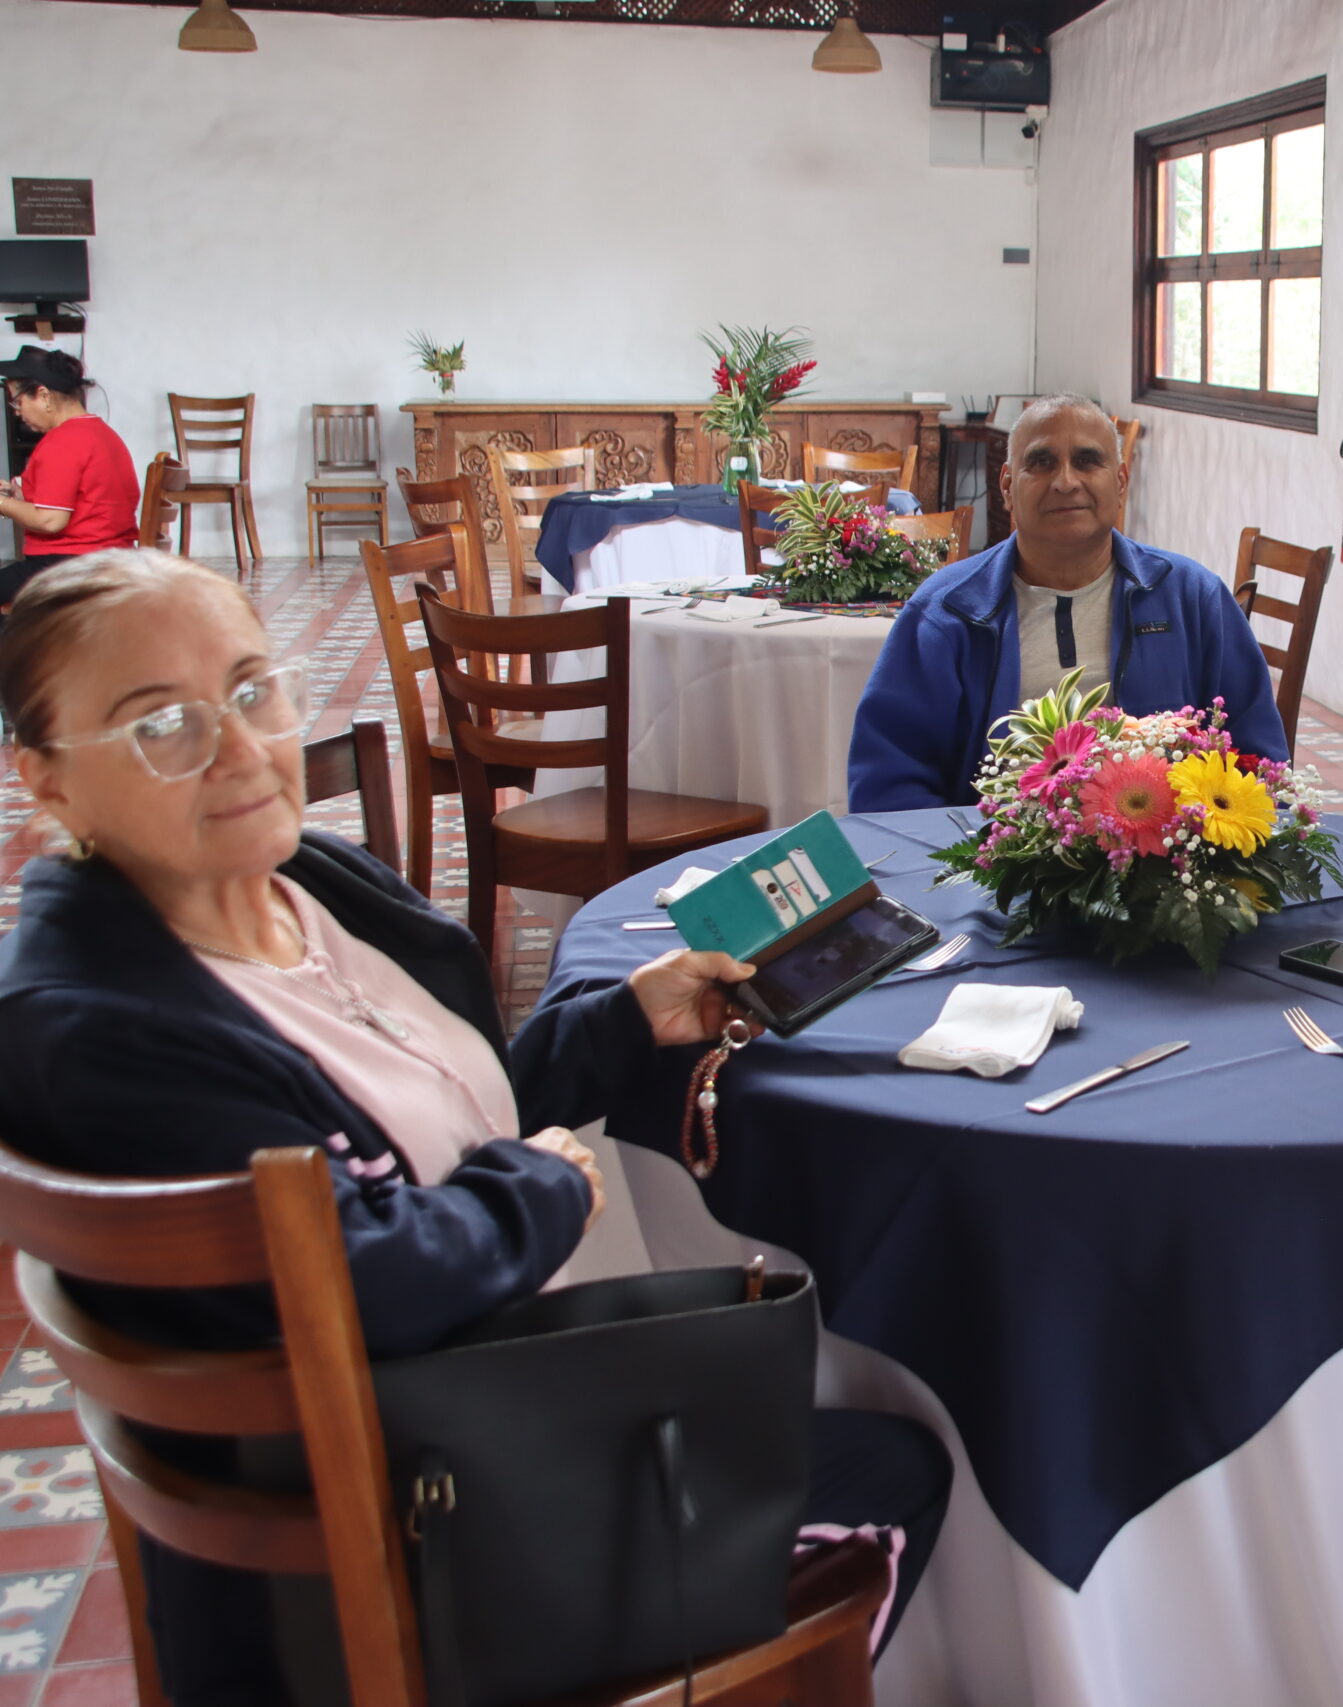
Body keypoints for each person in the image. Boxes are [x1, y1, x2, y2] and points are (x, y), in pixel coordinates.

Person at [0, 550, 948, 1705]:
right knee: (892, 1462)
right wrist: (539, 1192)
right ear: (46, 780)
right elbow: (363, 1270)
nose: (240, 750)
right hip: (414, 1546)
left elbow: (436, 1122)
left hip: (466, 1432)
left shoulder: (305, 883)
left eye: (252, 691)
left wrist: (624, 1022)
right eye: (161, 726)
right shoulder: (94, 1025)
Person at [843, 395, 1288, 811]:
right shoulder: (945, 612)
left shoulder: (1193, 599)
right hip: (988, 859)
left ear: (1120, 482)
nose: (1065, 481)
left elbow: (1259, 763)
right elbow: (889, 781)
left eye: (1087, 461)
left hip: (1165, 860)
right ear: (1006, 486)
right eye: (1041, 463)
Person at [0, 346, 138, 609]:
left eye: (17, 401)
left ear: (44, 396)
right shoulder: (100, 433)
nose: (17, 412)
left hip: (70, 567)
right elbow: (80, 502)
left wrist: (2, 504)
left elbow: (50, 520)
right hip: (106, 561)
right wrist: (17, 497)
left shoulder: (62, 441)